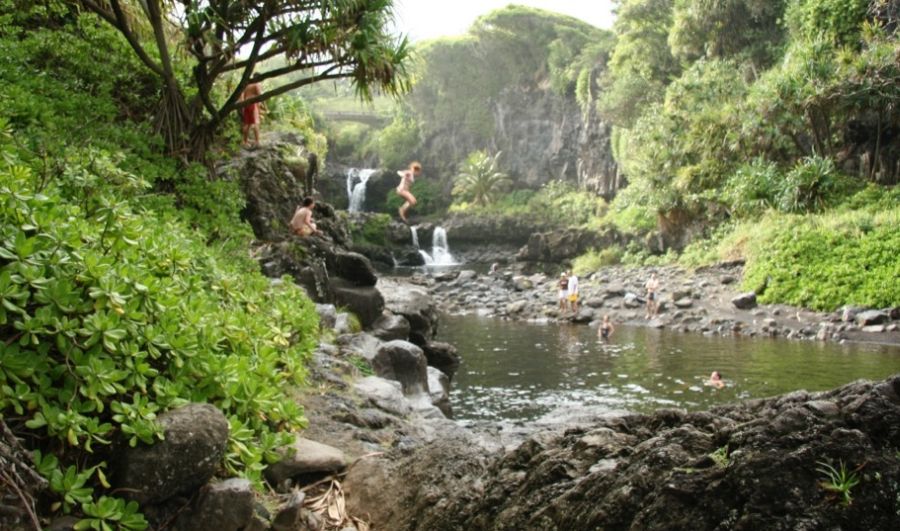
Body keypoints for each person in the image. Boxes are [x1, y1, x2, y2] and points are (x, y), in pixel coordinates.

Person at [239, 81, 264, 147]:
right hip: (253, 104)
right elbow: (260, 96)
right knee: (256, 123)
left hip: (246, 103)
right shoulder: (256, 84)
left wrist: (242, 106)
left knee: (247, 124)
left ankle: (244, 141)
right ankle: (257, 141)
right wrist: (262, 107)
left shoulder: (247, 84)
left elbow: (242, 96)